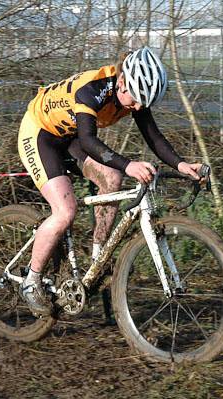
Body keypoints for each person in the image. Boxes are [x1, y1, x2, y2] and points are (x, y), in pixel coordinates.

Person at [17, 47, 203, 316]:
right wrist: (129, 165)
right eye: (136, 100)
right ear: (123, 81)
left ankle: (97, 257)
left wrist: (180, 164)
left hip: (70, 137)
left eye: (144, 103)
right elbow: (90, 141)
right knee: (65, 211)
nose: (138, 107)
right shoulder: (93, 90)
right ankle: (31, 281)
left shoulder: (133, 93)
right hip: (40, 134)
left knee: (112, 177)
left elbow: (154, 136)